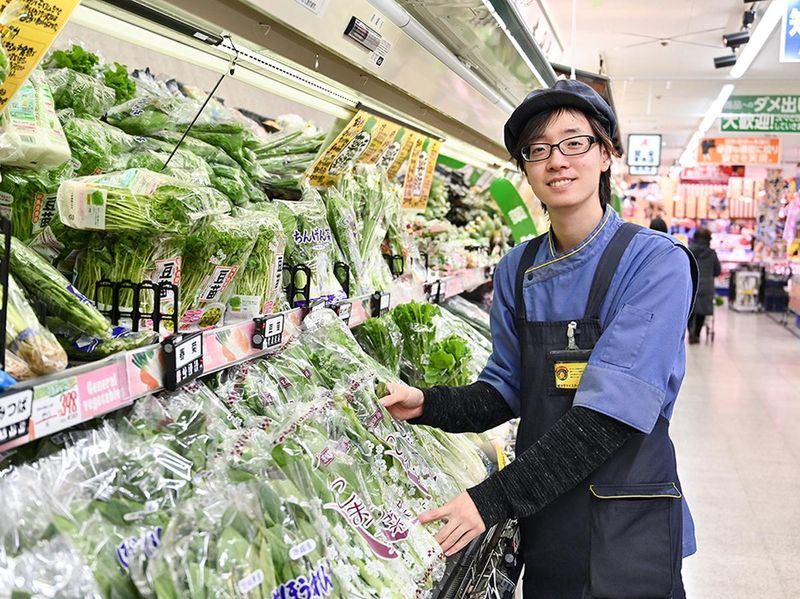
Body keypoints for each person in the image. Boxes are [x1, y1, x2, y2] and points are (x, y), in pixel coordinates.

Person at [381, 79, 699, 598]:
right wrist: (428, 403)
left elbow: (609, 417)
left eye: (575, 142)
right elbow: (506, 390)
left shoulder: (655, 263)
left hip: (629, 523)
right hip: (548, 516)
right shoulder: (517, 268)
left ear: (606, 154)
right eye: (538, 149)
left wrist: (492, 498)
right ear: (525, 168)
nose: (557, 161)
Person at [687, 227, 721, 343]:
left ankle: (690, 332)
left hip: (692, 284)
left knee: (690, 309)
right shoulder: (712, 254)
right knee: (702, 311)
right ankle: (697, 334)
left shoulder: (689, 251)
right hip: (706, 286)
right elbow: (717, 271)